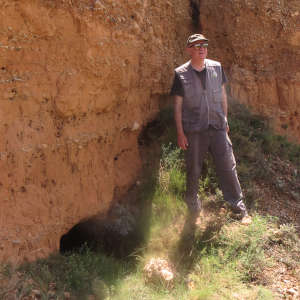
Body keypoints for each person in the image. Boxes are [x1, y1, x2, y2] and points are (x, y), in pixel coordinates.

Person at [170, 33, 252, 225]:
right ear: (189, 49)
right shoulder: (180, 73)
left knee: (228, 167)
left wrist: (225, 121)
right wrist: (180, 133)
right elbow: (177, 106)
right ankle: (193, 209)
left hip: (217, 127)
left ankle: (238, 209)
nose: (201, 48)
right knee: (194, 170)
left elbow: (223, 96)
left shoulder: (216, 67)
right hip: (194, 131)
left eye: (204, 45)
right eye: (197, 45)